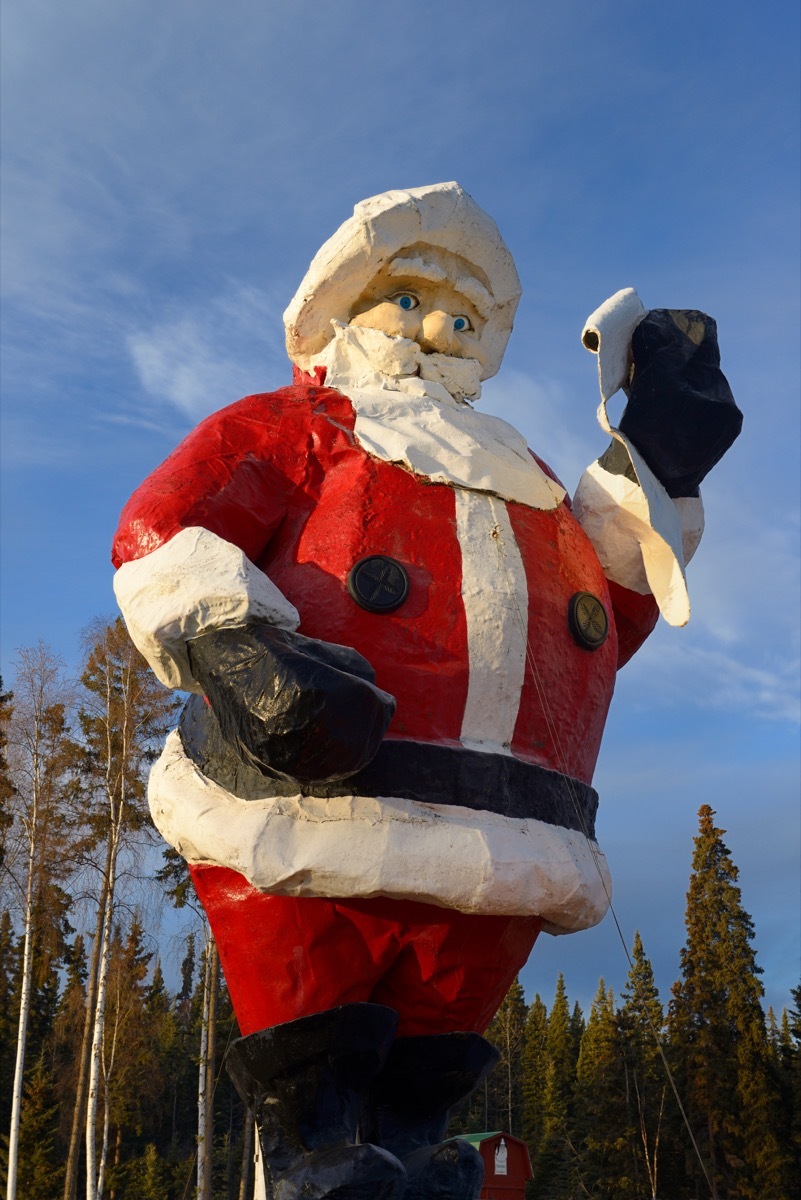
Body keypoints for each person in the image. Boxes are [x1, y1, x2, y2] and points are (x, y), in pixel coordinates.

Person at [112, 182, 741, 1200]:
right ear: (341, 309)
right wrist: (242, 655)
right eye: (404, 299)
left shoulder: (526, 476)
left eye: (456, 314)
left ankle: (406, 1151)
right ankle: (315, 1158)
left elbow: (604, 615)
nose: (431, 329)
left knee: (427, 1066)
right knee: (319, 1048)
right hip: (317, 792)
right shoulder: (298, 426)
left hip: (509, 830)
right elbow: (167, 529)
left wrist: (658, 462)